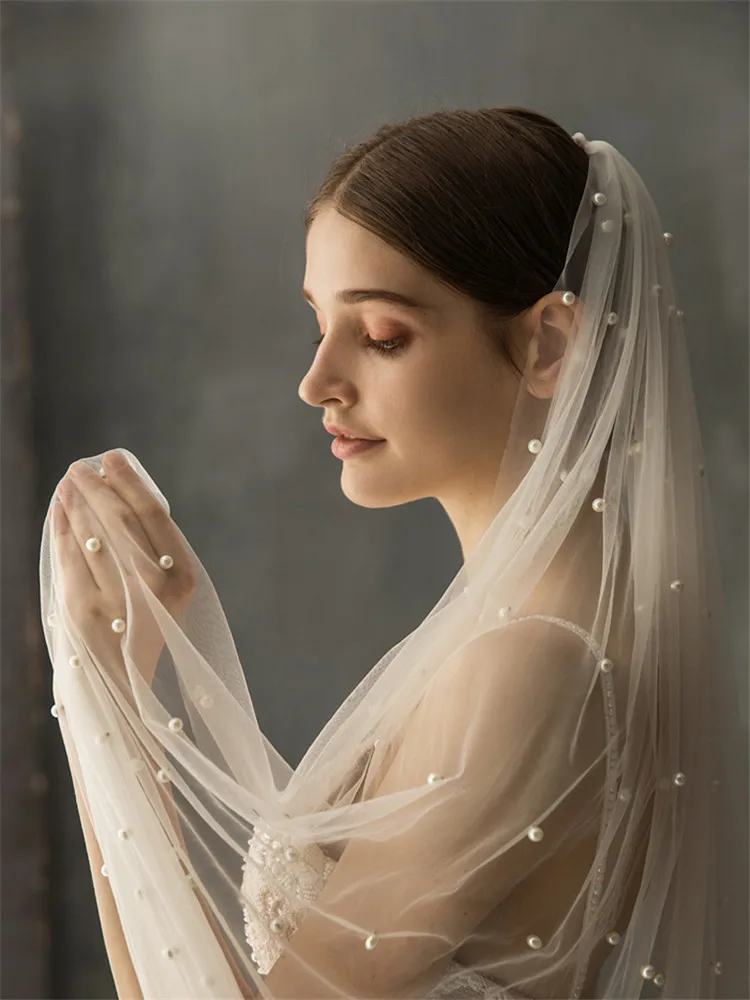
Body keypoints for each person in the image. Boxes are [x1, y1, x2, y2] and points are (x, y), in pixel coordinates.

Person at [40, 107, 748, 999]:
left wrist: (109, 690)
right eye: (319, 326)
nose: (317, 383)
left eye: (381, 337)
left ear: (548, 343)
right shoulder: (529, 633)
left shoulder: (530, 665)